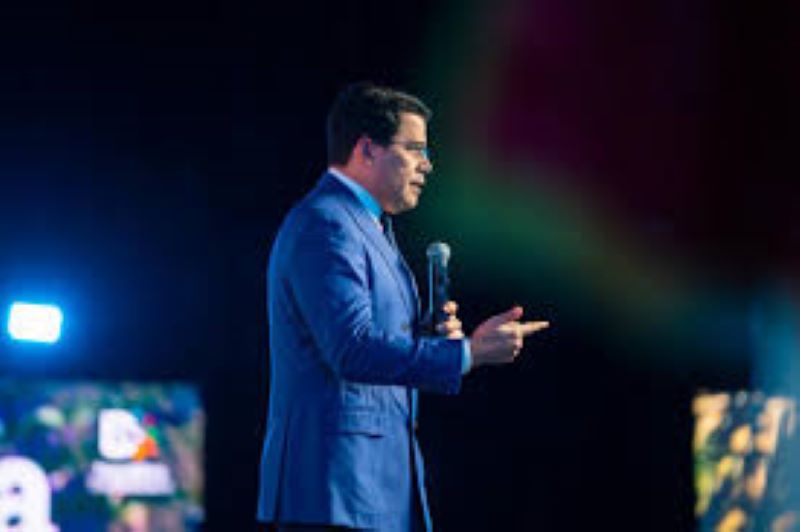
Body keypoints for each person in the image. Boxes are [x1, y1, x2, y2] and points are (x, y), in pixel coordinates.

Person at [257, 82, 549, 531]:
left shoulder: (367, 226)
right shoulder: (327, 224)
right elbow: (352, 349)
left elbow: (371, 341)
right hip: (334, 493)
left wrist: (430, 338)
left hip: (369, 491)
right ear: (367, 150)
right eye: (414, 150)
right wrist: (467, 353)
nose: (427, 165)